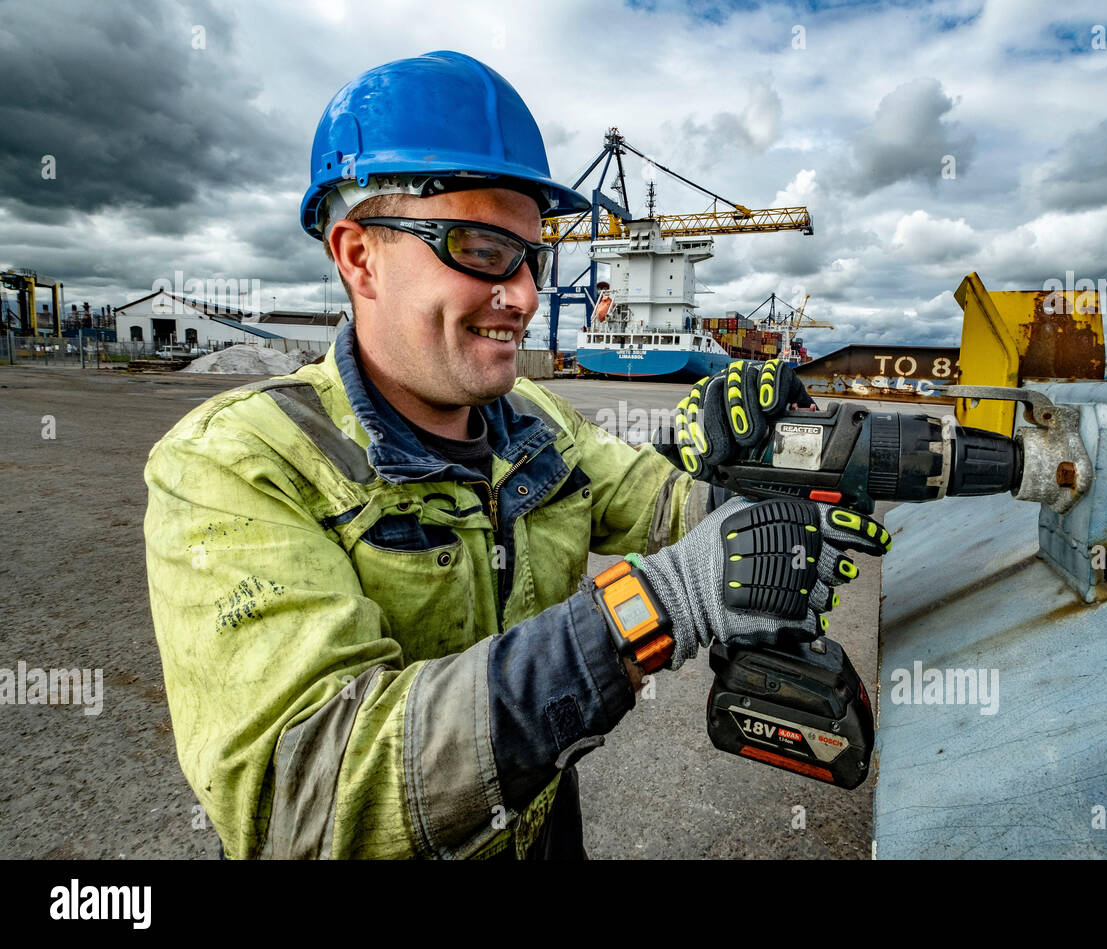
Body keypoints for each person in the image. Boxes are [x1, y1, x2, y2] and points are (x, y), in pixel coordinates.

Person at [143, 50, 889, 860]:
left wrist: (767, 477)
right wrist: (659, 607)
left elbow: (669, 502)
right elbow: (310, 795)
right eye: (481, 248)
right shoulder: (236, 465)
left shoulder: (528, 421)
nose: (528, 294)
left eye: (532, 256)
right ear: (357, 255)